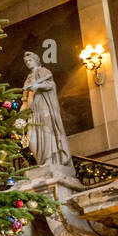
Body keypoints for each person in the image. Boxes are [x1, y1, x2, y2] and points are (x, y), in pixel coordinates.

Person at [20, 51, 79, 183]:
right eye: (26, 62)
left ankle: (49, 160)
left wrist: (38, 85)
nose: (28, 63)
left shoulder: (44, 72)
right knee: (32, 141)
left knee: (47, 134)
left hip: (45, 109)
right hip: (33, 113)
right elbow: (25, 100)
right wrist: (19, 116)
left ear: (36, 60)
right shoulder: (28, 78)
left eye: (30, 60)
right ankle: (41, 161)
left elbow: (51, 85)